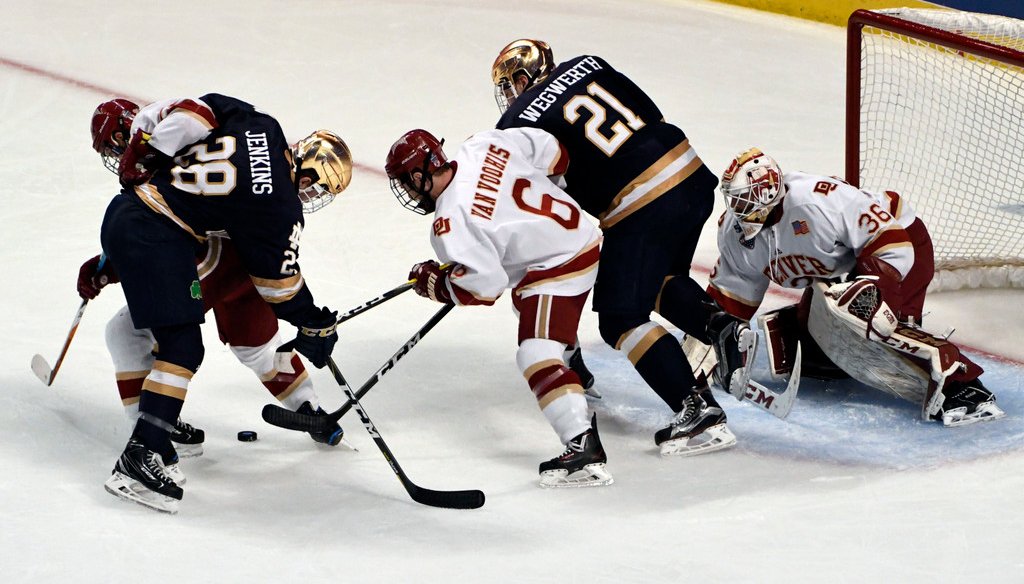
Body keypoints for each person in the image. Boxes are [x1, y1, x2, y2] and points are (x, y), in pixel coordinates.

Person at [490, 40, 751, 457]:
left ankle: (696, 410)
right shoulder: (589, 63)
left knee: (620, 317)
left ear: (522, 79)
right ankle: (722, 329)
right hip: (691, 173)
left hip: (641, 202)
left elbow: (547, 201)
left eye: (508, 85)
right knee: (658, 281)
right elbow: (652, 117)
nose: (508, 96)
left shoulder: (517, 122)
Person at [91, 93, 348, 513]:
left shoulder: (264, 126)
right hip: (180, 240)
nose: (311, 194)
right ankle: (146, 447)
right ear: (305, 167)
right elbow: (279, 284)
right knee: (146, 337)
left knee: (234, 343)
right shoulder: (278, 211)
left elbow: (198, 109)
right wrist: (313, 321)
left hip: (168, 230)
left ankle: (305, 406)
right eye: (315, 184)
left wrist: (148, 149)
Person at [707, 147, 1005, 426]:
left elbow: (892, 243)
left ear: (769, 193)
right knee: (813, 340)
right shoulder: (735, 231)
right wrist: (709, 346)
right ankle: (838, 352)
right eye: (734, 199)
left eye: (745, 199)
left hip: (897, 245)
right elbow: (732, 294)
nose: (737, 207)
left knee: (872, 323)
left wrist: (878, 297)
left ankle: (963, 386)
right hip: (845, 269)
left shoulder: (819, 202)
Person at [385, 128, 611, 487]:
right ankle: (575, 374)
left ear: (419, 176)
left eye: (406, 183)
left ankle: (584, 448)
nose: (409, 193)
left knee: (535, 354)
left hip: (561, 262)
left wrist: (438, 284)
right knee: (527, 309)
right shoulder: (482, 143)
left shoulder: (449, 222)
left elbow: (485, 286)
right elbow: (555, 152)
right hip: (572, 237)